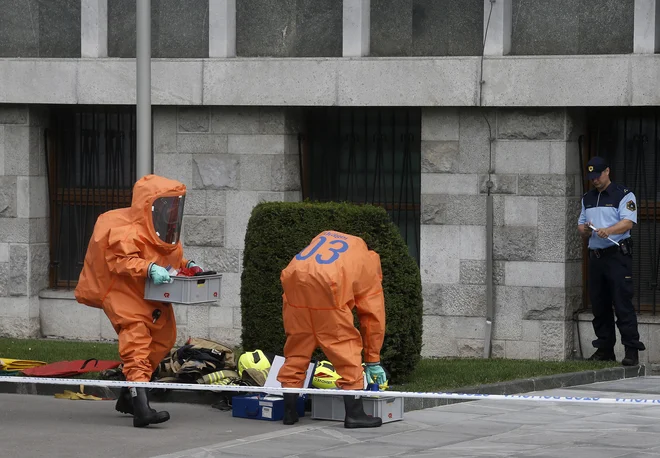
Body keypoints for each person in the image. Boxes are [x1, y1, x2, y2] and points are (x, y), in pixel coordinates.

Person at [74, 174, 203, 427]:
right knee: (137, 346)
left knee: (164, 338)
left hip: (149, 297)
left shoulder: (165, 236)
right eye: (167, 205)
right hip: (123, 293)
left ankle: (127, 395)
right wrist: (149, 269)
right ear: (150, 205)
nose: (172, 211)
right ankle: (142, 409)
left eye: (175, 205)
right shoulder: (126, 232)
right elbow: (121, 261)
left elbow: (174, 259)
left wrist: (190, 266)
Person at [277, 230, 387, 428]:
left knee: (296, 350)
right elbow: (372, 316)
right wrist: (373, 359)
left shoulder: (324, 236)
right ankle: (355, 415)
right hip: (329, 286)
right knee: (346, 348)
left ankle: (289, 412)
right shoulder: (367, 261)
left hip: (295, 279)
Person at [577, 157, 645, 366]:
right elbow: (580, 225)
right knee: (599, 304)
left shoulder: (623, 195)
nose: (595, 180)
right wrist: (586, 229)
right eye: (592, 177)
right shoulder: (587, 197)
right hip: (596, 257)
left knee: (622, 303)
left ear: (607, 171)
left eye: (598, 175)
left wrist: (610, 231)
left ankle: (631, 350)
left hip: (616, 256)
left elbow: (627, 223)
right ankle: (605, 349)